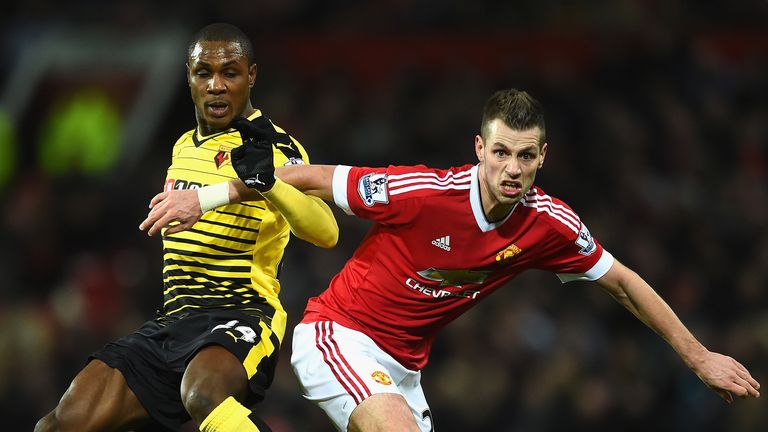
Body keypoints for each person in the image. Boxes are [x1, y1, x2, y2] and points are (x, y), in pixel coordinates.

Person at [140, 88, 760, 431]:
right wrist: (205, 196)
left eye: (525, 156)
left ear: (543, 156)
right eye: (500, 153)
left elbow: (621, 281)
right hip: (337, 335)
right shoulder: (421, 194)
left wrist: (698, 356)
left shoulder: (550, 224)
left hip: (405, 370)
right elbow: (301, 175)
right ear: (478, 149)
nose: (511, 169)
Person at [35, 23, 338, 432]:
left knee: (204, 396)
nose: (216, 85)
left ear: (250, 76)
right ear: (189, 76)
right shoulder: (182, 145)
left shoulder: (274, 146)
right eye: (204, 73)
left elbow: (326, 230)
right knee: (63, 421)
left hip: (241, 314)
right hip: (174, 320)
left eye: (229, 73)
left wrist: (269, 183)